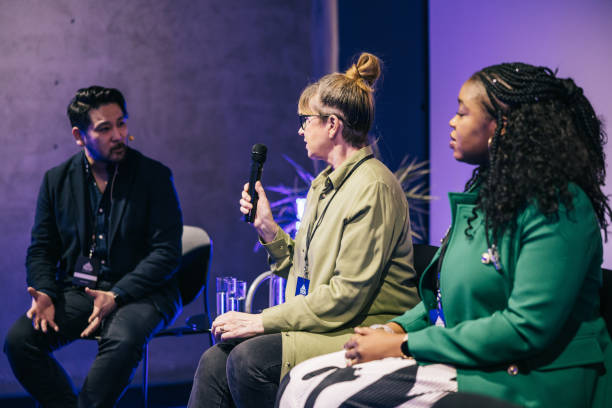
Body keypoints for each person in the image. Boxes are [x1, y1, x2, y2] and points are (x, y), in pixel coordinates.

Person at [276, 62, 612, 408]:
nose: (452, 121)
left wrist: (405, 345)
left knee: (334, 396)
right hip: (477, 364)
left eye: (463, 113)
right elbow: (441, 300)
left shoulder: (559, 207)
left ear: (503, 126)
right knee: (302, 380)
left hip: (531, 382)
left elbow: (524, 328)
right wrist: (394, 328)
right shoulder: (490, 198)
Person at [187, 52, 419, 407]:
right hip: (329, 323)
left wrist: (262, 321)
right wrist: (267, 229)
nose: (299, 129)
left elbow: (345, 296)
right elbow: (305, 271)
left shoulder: (373, 187)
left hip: (364, 329)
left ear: (331, 125)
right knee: (214, 360)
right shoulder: (324, 184)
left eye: (305, 119)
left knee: (249, 361)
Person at [4, 86, 183, 408]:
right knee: (19, 342)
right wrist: (43, 290)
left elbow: (166, 253)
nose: (119, 135)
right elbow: (42, 247)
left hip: (143, 292)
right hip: (83, 291)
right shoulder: (56, 180)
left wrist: (117, 294)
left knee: (122, 338)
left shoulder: (154, 176)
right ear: (79, 135)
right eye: (104, 128)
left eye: (122, 123)